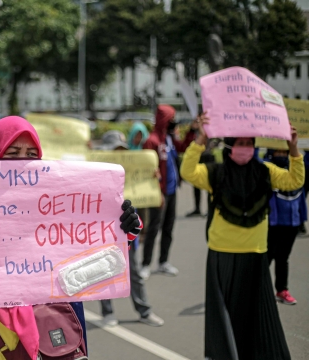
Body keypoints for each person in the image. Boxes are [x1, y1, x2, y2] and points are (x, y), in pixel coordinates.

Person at [0, 116, 142, 360]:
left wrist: (119, 237)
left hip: (50, 350)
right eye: (12, 153)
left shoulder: (59, 212)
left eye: (31, 153)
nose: (22, 161)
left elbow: (87, 276)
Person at [180, 113, 302, 360]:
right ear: (229, 146)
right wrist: (201, 138)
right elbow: (188, 171)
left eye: (249, 144)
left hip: (255, 254)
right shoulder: (217, 173)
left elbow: (295, 180)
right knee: (225, 316)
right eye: (240, 143)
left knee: (256, 317)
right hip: (222, 254)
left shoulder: (266, 172)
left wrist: (293, 148)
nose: (245, 149)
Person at [97, 130, 163, 328]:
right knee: (104, 273)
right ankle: (107, 313)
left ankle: (144, 310)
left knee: (133, 271)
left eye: (121, 150)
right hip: (102, 230)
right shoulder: (96, 173)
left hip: (126, 229)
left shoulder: (128, 170)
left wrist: (152, 178)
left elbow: (142, 189)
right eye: (114, 150)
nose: (118, 154)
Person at [140, 105, 197, 279]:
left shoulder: (169, 138)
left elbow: (184, 147)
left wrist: (192, 131)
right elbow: (146, 169)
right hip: (159, 193)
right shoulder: (152, 141)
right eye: (171, 118)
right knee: (153, 228)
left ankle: (163, 261)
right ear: (164, 120)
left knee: (168, 228)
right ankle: (145, 264)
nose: (174, 122)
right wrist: (157, 191)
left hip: (172, 191)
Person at [264, 149, 306, 305]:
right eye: (278, 153)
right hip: (272, 223)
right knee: (265, 258)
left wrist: (302, 219)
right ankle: (258, 290)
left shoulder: (295, 173)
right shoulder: (267, 172)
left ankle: (282, 290)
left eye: (284, 152)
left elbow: (300, 197)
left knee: (283, 258)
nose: (281, 156)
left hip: (292, 222)